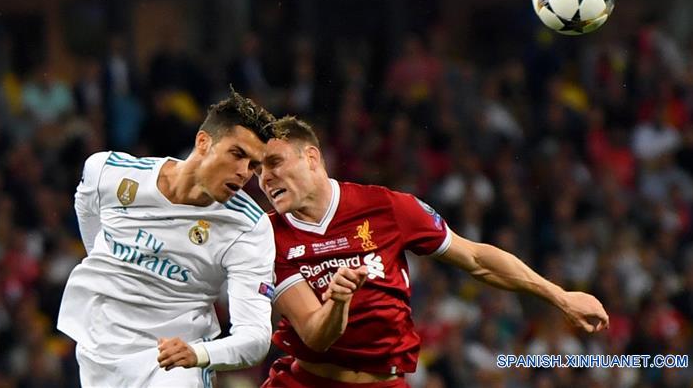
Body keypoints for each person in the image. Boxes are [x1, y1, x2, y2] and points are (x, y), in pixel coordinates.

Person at [258, 116, 609, 388]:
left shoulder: (388, 207)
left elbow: (475, 259)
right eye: (258, 170)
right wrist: (338, 300)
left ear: (312, 157)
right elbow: (316, 337)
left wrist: (559, 296)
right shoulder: (268, 235)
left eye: (274, 162)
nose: (265, 177)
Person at [57, 90, 278, 387]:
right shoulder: (109, 173)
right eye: (237, 154)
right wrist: (109, 266)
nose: (243, 173)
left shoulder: (248, 227)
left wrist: (197, 353)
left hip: (174, 365)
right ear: (203, 142)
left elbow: (255, 337)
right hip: (100, 354)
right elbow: (86, 207)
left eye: (253, 165)